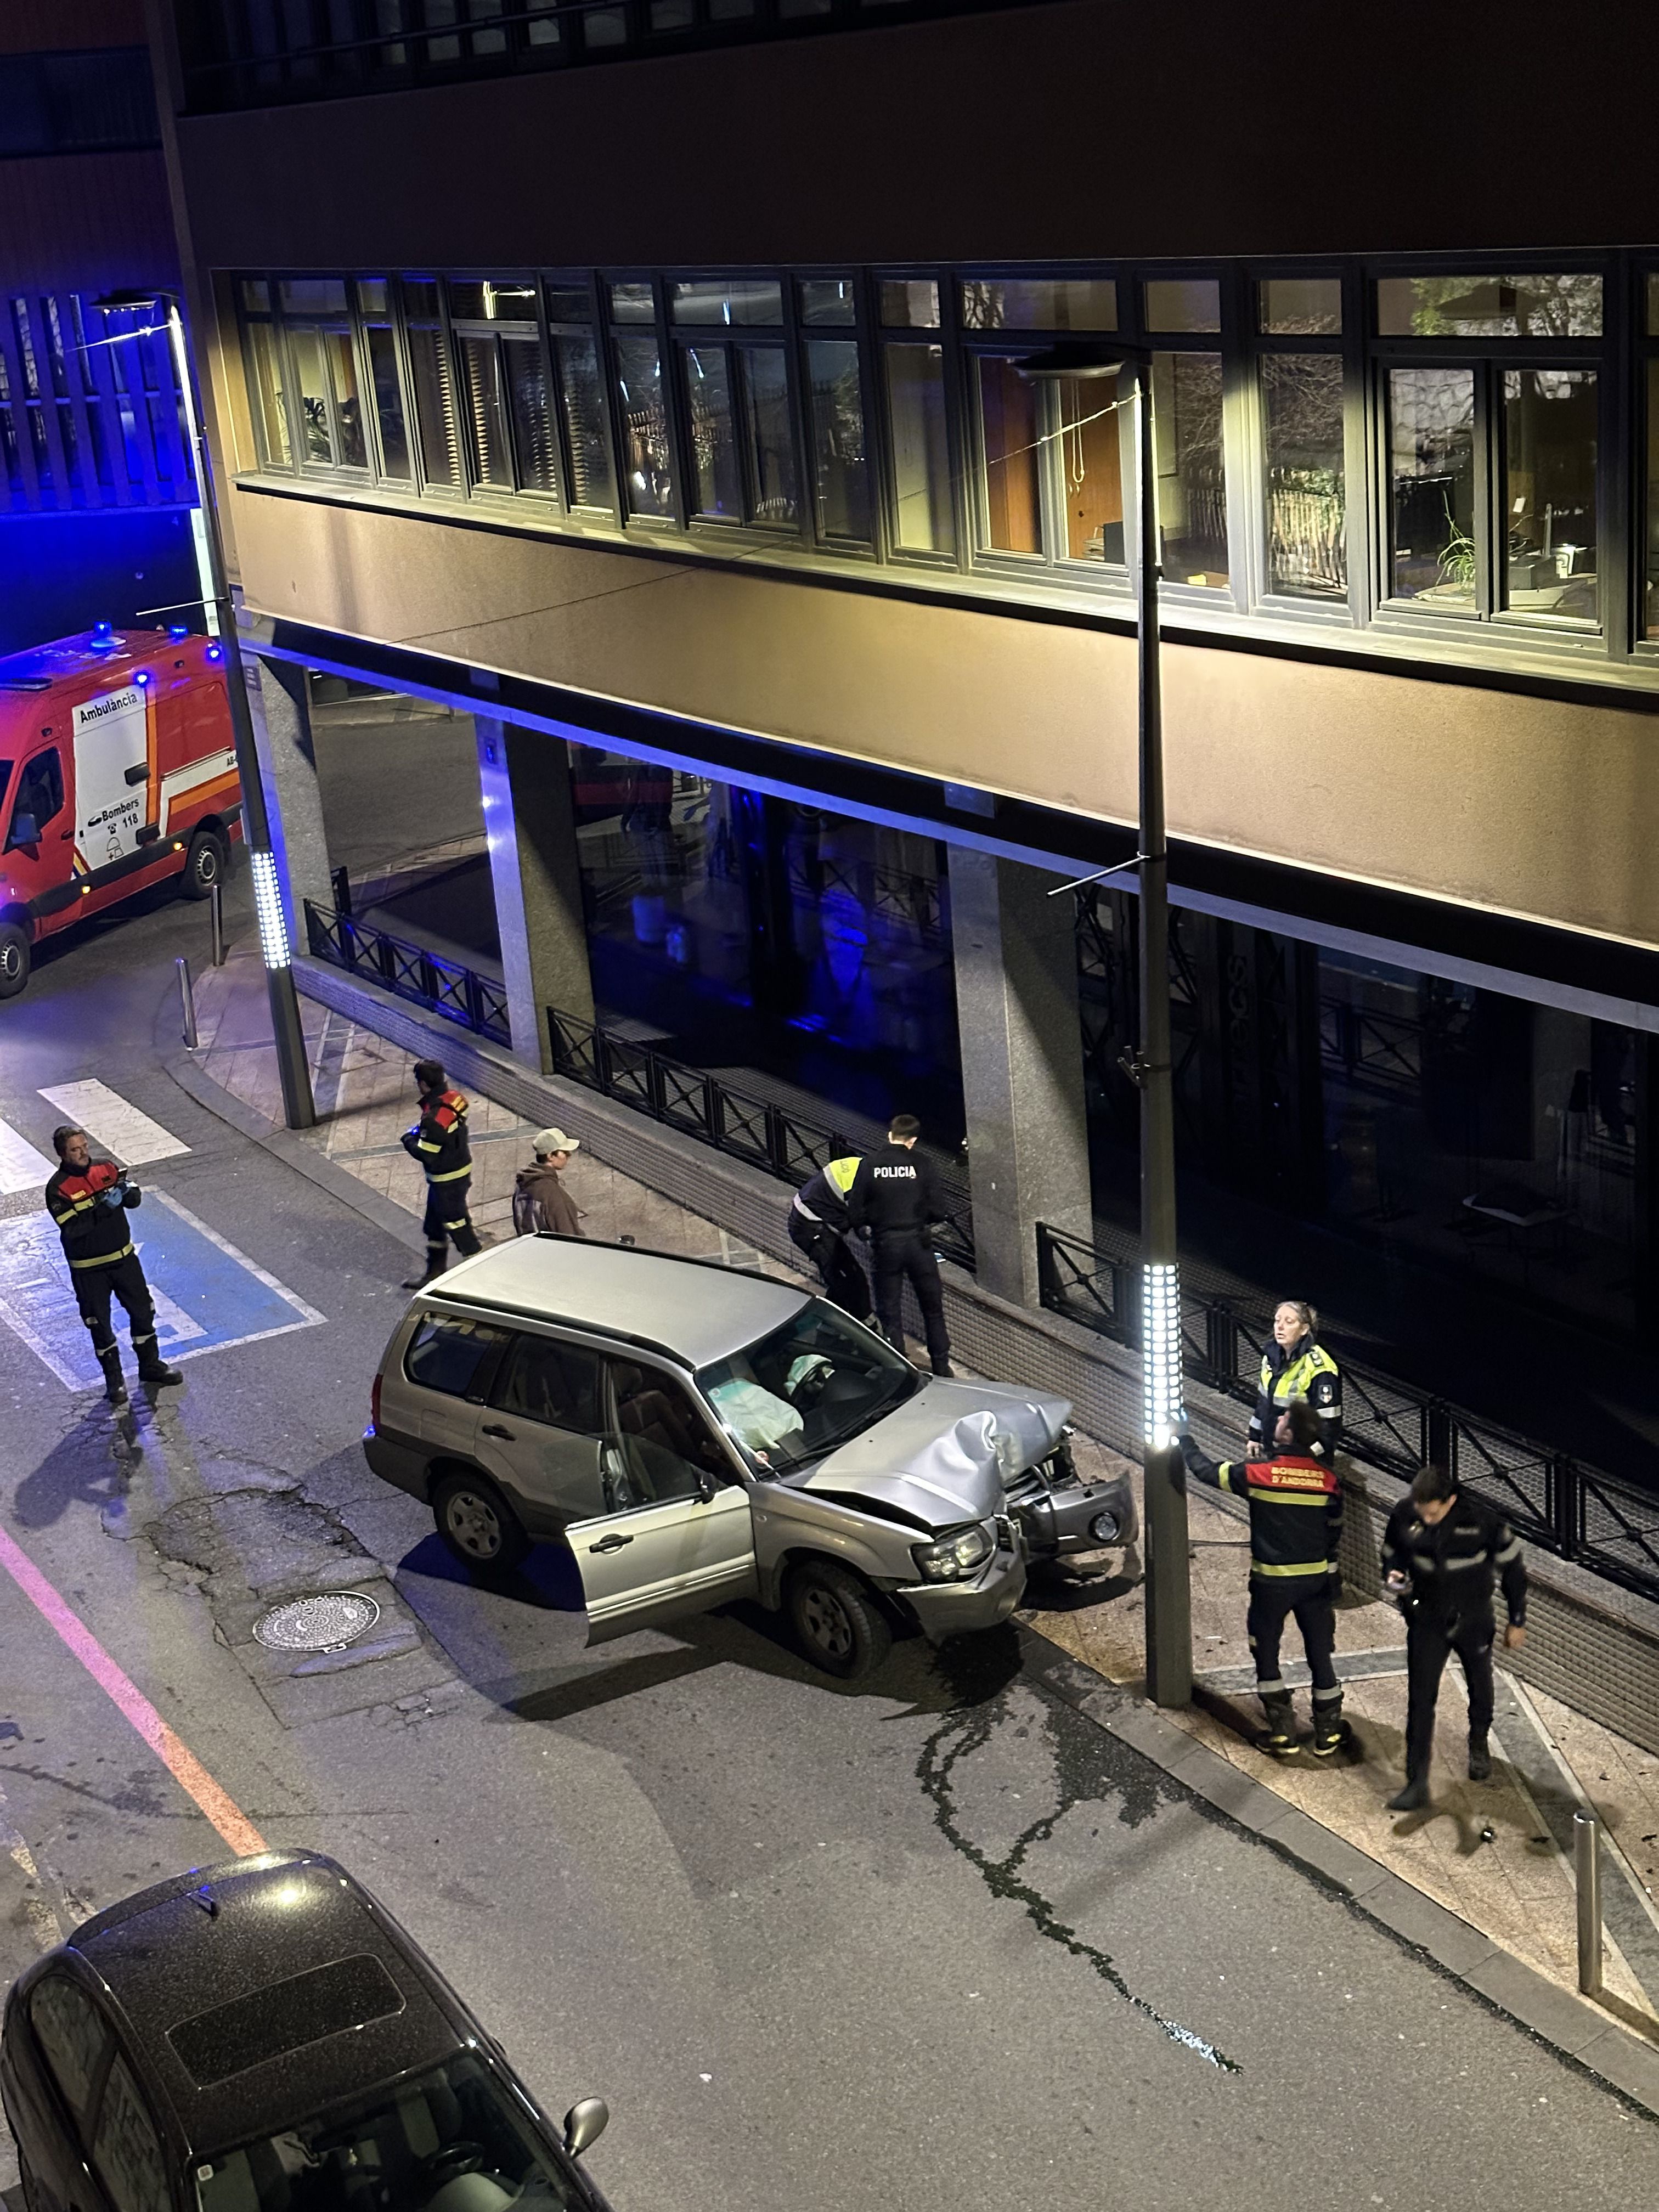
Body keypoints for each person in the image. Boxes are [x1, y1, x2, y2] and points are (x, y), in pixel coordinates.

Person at [1178, 1398, 1348, 1758]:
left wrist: (1184, 1439)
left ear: (1288, 1433)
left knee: (1266, 1651)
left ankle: (1283, 1732)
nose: (1279, 1418)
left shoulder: (1259, 1473)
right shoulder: (1328, 1481)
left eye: (1284, 1418)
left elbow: (1207, 1472)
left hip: (1272, 1585)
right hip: (1315, 1582)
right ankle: (1328, 1734)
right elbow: (1334, 1532)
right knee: (1320, 1652)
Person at [1381, 1463, 1527, 1812]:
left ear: (1450, 1501)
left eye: (1433, 1513)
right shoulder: (1405, 1513)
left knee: (1479, 1679)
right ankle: (1416, 1782)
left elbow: (1514, 1571)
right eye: (1421, 1512)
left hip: (1472, 1617)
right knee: (1420, 1699)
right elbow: (1391, 1554)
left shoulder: (1482, 1521)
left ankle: (1478, 1740)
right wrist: (1393, 1576)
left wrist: (1517, 1619)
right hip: (1427, 1617)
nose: (1426, 1519)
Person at [45, 1126, 182, 1406]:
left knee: (144, 1311)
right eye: (75, 1149)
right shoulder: (58, 1189)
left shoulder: (105, 1168)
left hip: (123, 1260)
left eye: (84, 1146)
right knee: (100, 1325)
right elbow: (72, 1230)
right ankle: (115, 1382)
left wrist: (130, 1194)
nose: (83, 1152)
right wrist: (104, 1208)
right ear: (62, 1154)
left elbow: (132, 1201)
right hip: (89, 1270)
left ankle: (151, 1366)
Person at [845, 1114, 952, 1376]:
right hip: (919, 1244)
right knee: (933, 1311)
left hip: (886, 1245)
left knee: (889, 1310)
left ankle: (900, 1367)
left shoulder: (870, 1164)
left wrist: (869, 1228)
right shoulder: (923, 1163)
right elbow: (939, 1210)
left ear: (890, 1134)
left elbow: (855, 1211)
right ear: (913, 1140)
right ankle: (940, 1365)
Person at [400, 1059, 481, 1289]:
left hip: (447, 1179)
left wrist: (409, 1139)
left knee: (458, 1226)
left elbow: (427, 1154)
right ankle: (434, 1273)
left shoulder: (433, 1118)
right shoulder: (455, 1099)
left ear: (423, 1084)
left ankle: (481, 1275)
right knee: (435, 1226)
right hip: (457, 1171)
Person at [1249, 1298, 1341, 1459]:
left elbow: (1330, 1424)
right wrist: (1254, 1437)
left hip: (1305, 1454)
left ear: (1304, 1329)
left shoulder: (1320, 1368)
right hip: (1275, 1447)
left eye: (1289, 1322)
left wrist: (1311, 1455)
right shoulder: (1271, 1358)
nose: (1280, 1327)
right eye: (1277, 1320)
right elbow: (1263, 1402)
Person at [787, 1152, 872, 1321]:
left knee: (846, 1280)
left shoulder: (861, 1165)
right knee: (847, 1282)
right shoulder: (862, 1185)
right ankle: (856, 1326)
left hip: (810, 1221)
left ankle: (836, 1324)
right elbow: (861, 1225)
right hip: (811, 1228)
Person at [513, 1127, 585, 1238]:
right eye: (565, 1152)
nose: (569, 1155)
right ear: (550, 1156)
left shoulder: (522, 1184)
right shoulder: (553, 1196)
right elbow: (570, 1237)